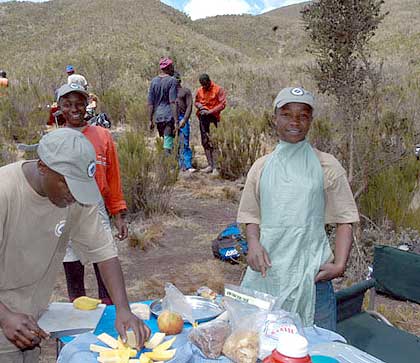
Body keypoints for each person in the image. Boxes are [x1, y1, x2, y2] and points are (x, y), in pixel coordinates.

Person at [0, 128, 150, 362]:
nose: (73, 194)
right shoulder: (4, 192)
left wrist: (123, 309)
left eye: (80, 185)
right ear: (42, 167)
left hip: (32, 317)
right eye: (67, 184)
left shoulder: (76, 195)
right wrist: (6, 316)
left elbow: (104, 252)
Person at [237, 87, 359, 330]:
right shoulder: (262, 167)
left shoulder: (326, 165)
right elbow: (252, 215)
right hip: (267, 275)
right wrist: (253, 244)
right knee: (258, 344)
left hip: (311, 280)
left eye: (303, 115)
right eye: (286, 114)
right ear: (275, 118)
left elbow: (345, 217)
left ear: (310, 121)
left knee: (316, 349)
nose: (295, 121)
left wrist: (339, 265)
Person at [54, 83, 128, 306]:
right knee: (72, 262)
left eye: (79, 103)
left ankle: (109, 310)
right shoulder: (55, 140)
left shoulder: (103, 136)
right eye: (67, 104)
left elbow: (113, 178)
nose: (74, 109)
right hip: (66, 207)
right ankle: (77, 310)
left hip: (95, 207)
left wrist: (118, 214)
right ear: (59, 108)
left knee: (103, 257)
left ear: (87, 105)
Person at [194, 73, 226, 175]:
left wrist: (210, 111)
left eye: (205, 84)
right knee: (205, 141)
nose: (204, 87)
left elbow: (222, 104)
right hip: (203, 118)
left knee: (214, 141)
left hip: (214, 118)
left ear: (209, 81)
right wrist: (200, 106)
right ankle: (210, 165)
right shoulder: (200, 90)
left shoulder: (218, 89)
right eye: (202, 85)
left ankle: (216, 166)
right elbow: (196, 101)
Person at [147, 57, 178, 155]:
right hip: (168, 115)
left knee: (165, 139)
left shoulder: (154, 81)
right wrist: (176, 120)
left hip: (158, 116)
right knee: (168, 142)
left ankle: (166, 161)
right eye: (172, 66)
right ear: (168, 67)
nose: (173, 68)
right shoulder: (172, 81)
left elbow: (150, 102)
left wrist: (150, 120)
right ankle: (168, 165)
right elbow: (172, 102)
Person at [173, 72, 195, 173]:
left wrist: (184, 119)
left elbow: (189, 106)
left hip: (182, 118)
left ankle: (187, 164)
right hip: (171, 118)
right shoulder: (169, 92)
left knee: (184, 142)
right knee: (172, 143)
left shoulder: (185, 91)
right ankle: (177, 164)